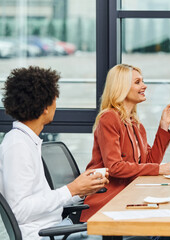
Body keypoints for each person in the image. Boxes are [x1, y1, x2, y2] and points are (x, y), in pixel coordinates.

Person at [0, 66, 109, 240]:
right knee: (124, 234)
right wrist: (71, 189)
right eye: (55, 99)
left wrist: (80, 190)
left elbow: (43, 200)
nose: (56, 105)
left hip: (57, 228)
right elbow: (19, 211)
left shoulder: (26, 141)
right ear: (45, 107)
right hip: (44, 234)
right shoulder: (17, 146)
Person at [80, 64, 170, 222]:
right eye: (138, 82)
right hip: (109, 199)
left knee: (168, 216)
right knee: (163, 223)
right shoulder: (109, 118)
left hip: (129, 193)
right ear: (122, 87)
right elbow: (115, 167)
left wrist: (164, 126)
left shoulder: (135, 124)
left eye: (142, 81)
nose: (144, 86)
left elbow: (151, 163)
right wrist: (160, 169)